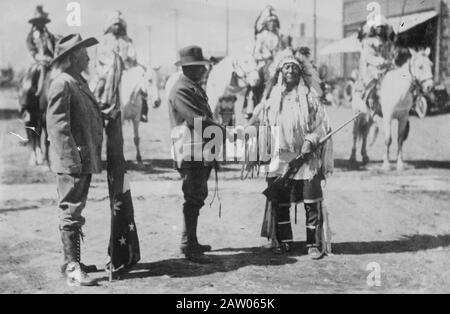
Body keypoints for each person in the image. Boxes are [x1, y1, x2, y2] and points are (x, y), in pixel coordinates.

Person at [248, 54, 333, 258]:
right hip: (279, 158)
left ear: (300, 73)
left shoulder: (310, 97)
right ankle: (284, 241)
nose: (290, 71)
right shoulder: (271, 99)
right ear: (280, 72)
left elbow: (322, 125)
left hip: (306, 158)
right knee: (281, 201)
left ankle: (313, 244)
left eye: (294, 68)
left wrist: (310, 141)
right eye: (286, 68)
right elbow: (261, 125)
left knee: (311, 200)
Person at [47, 34, 102, 286]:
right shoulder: (62, 83)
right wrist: (72, 161)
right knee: (70, 212)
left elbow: (86, 115)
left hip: (82, 158)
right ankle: (72, 270)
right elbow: (58, 128)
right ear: (73, 57)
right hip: (72, 160)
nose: (88, 56)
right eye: (84, 52)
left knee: (76, 211)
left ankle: (73, 261)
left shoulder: (78, 81)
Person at [168, 46, 227, 262]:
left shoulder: (192, 87)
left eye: (202, 66)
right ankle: (187, 242)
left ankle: (191, 240)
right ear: (187, 68)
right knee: (193, 195)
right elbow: (195, 120)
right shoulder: (181, 90)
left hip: (199, 149)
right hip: (189, 149)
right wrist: (222, 131)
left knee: (197, 195)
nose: (203, 70)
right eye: (198, 66)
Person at [95, 11, 149, 122]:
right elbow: (100, 55)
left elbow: (133, 55)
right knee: (103, 80)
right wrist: (112, 62)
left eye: (119, 24)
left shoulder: (127, 40)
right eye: (115, 24)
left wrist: (126, 59)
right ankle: (102, 100)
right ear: (110, 25)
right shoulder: (104, 40)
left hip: (125, 68)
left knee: (140, 77)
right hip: (107, 67)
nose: (117, 27)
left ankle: (143, 109)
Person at [19, 5, 56, 121]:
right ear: (34, 23)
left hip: (51, 62)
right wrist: (43, 59)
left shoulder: (49, 36)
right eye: (38, 21)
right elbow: (33, 52)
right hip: (37, 63)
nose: (40, 23)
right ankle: (26, 107)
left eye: (42, 21)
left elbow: (54, 49)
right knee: (29, 82)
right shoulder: (31, 36)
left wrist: (53, 58)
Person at [357, 16, 396, 114]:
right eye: (377, 27)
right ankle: (370, 102)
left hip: (385, 68)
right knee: (373, 82)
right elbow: (368, 57)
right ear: (374, 28)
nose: (379, 29)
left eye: (382, 27)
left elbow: (389, 55)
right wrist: (379, 61)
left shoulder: (386, 42)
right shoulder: (368, 41)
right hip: (371, 68)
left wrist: (390, 59)